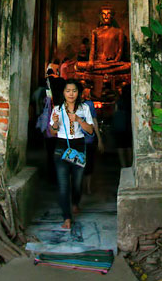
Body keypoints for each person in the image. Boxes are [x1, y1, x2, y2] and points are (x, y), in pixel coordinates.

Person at [49, 79, 95, 229]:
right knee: (63, 186)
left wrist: (79, 120)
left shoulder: (84, 108)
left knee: (77, 182)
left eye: (74, 91)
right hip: (62, 147)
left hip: (79, 146)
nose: (71, 94)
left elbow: (90, 130)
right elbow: (52, 132)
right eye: (68, 91)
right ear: (63, 93)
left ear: (78, 93)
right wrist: (55, 124)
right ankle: (66, 218)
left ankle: (75, 202)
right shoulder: (57, 110)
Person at [113, 83, 133, 168]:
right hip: (129, 126)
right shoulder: (132, 101)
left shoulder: (119, 101)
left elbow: (115, 112)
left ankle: (123, 166)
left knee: (120, 146)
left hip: (119, 126)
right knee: (129, 146)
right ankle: (130, 164)